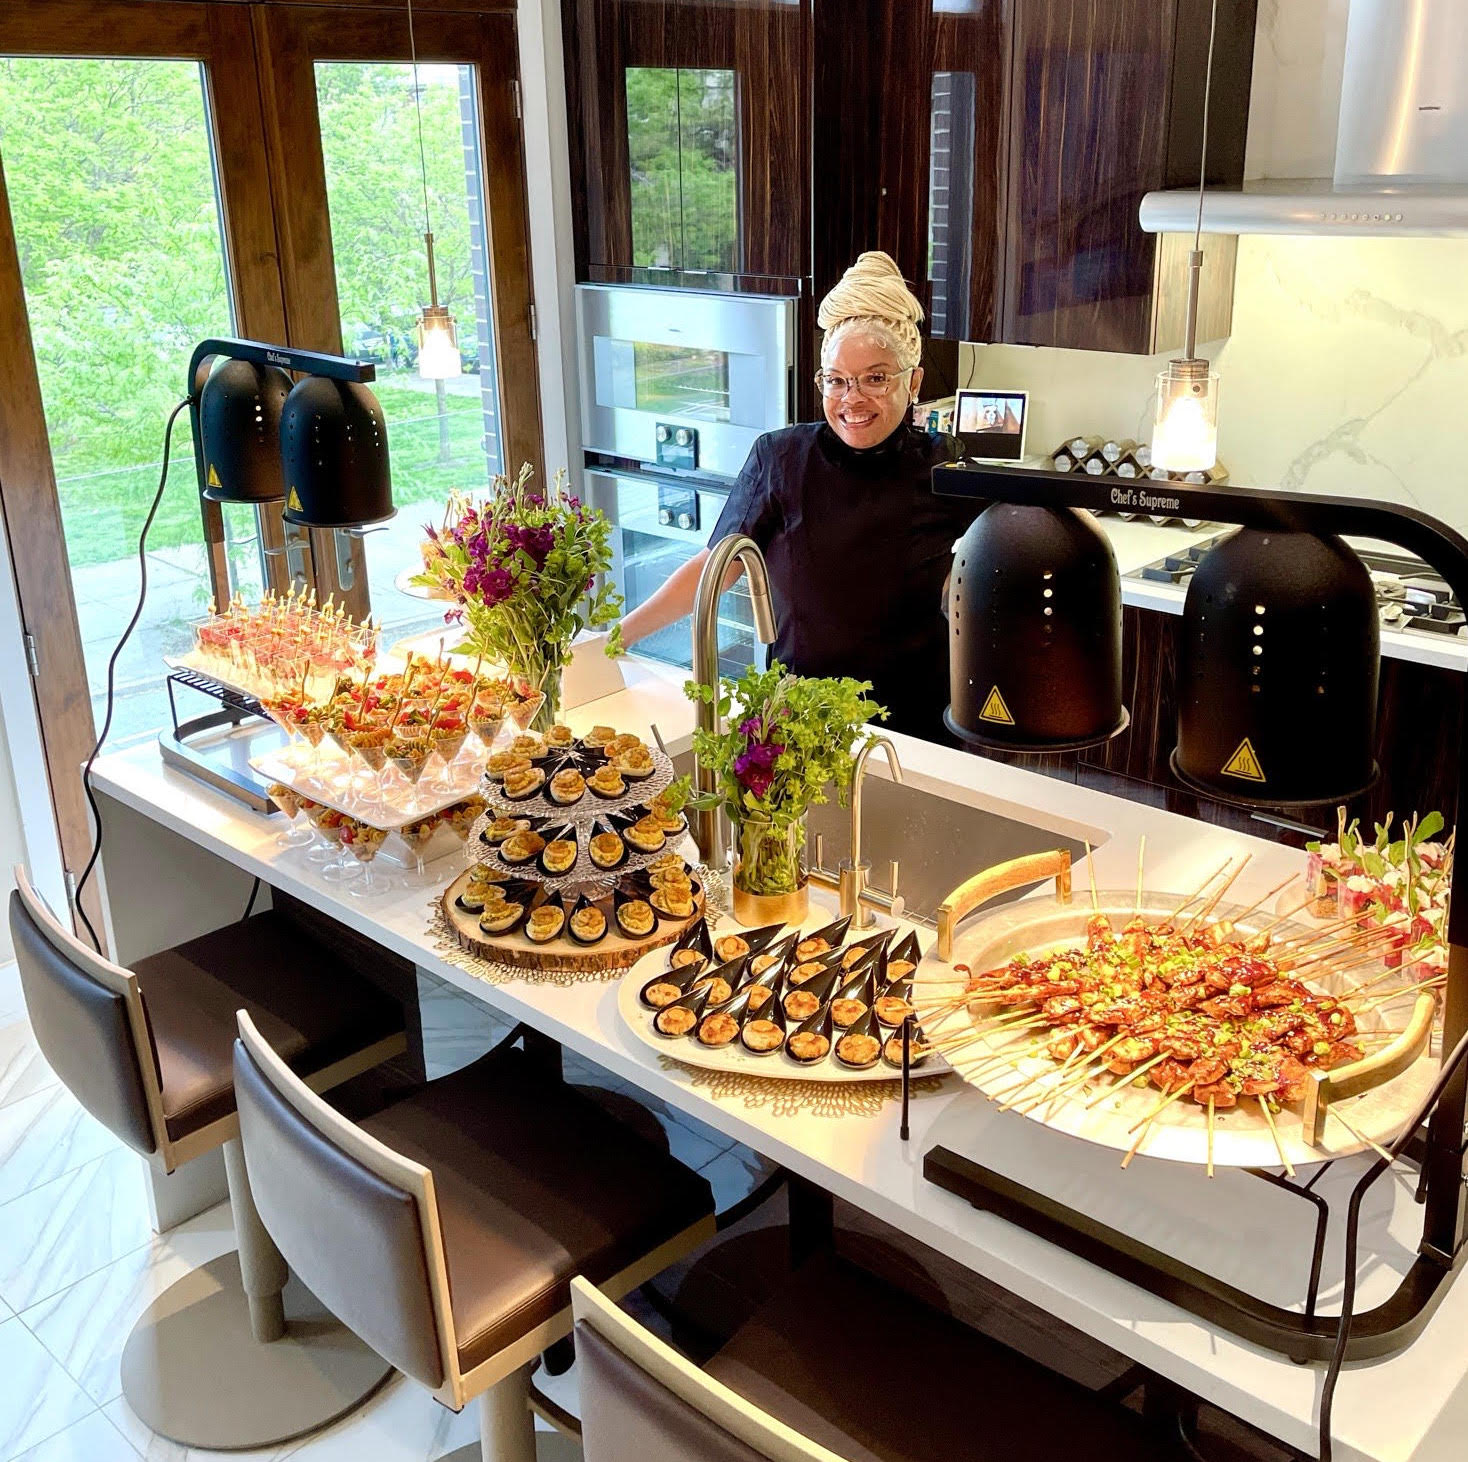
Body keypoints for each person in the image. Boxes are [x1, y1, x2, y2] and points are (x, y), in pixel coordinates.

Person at [619, 251, 980, 740]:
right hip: (795, 722)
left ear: (913, 382)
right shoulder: (781, 458)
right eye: (836, 380)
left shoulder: (945, 466)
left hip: (914, 728)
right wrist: (618, 636)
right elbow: (715, 568)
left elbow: (1004, 565)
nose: (852, 398)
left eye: (876, 378)